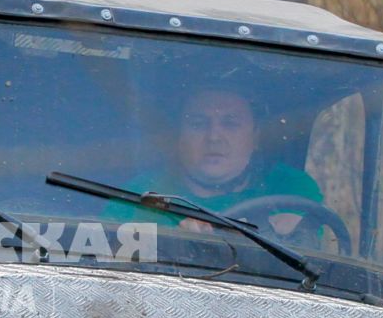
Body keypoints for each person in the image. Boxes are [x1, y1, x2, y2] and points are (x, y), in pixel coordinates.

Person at [106, 86, 322, 232]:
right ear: (179, 137)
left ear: (255, 137)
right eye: (199, 124)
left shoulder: (291, 188)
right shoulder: (137, 197)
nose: (214, 137)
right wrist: (169, 242)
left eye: (230, 123)